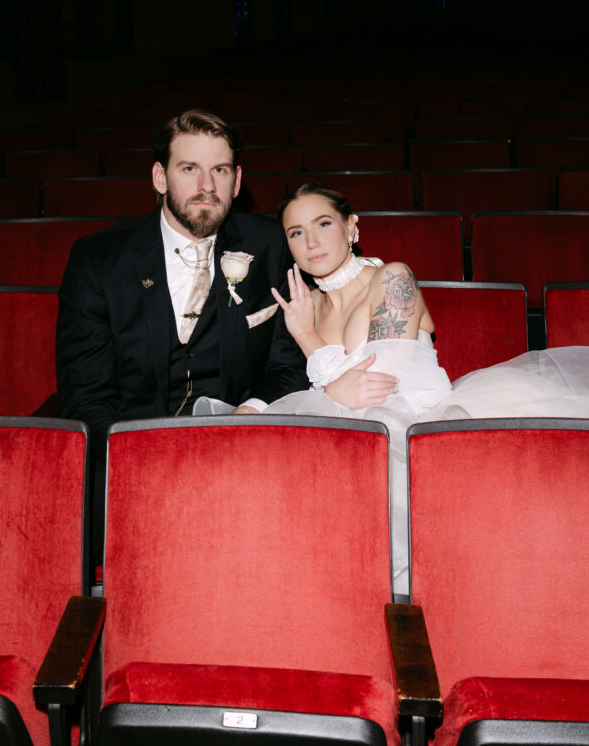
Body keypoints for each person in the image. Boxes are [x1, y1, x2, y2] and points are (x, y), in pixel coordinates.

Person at [200, 182, 589, 595]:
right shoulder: (304, 305)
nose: (311, 241)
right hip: (353, 440)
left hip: (416, 431)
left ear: (352, 227)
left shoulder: (392, 277)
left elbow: (375, 388)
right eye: (296, 233)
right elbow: (310, 385)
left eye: (323, 223)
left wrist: (308, 338)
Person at [56, 109, 308, 555]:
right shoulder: (98, 260)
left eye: (220, 170)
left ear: (236, 180)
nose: (206, 186)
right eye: (189, 169)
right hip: (130, 461)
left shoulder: (271, 245)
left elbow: (289, 365)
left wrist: (250, 413)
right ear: (160, 177)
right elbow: (86, 395)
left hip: (242, 454)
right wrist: (147, 463)